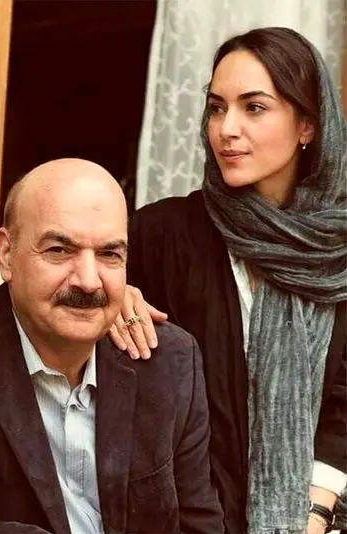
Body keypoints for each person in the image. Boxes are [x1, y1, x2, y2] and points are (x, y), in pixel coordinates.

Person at [0, 158, 224, 533]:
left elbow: (199, 522)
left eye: (109, 254)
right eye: (59, 250)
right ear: (6, 254)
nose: (89, 281)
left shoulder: (168, 362)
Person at [121, 27, 346, 534]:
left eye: (254, 107)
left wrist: (313, 514)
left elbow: (343, 401)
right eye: (216, 108)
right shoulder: (159, 235)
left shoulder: (337, 249)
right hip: (183, 517)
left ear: (307, 125)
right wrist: (111, 297)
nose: (227, 129)